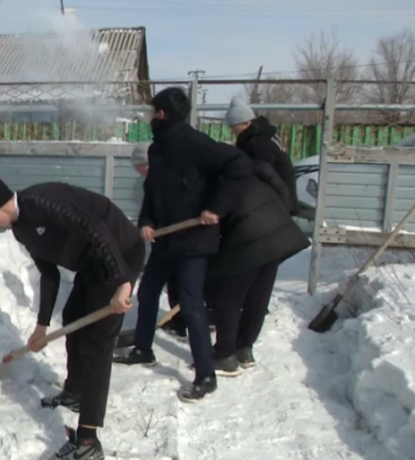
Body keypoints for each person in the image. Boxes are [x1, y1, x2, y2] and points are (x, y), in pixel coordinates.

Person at [0, 173, 145, 460]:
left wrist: (123, 282)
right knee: (74, 316)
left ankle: (88, 442)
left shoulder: (44, 201)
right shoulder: (20, 228)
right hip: (93, 267)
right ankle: (75, 392)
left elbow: (96, 228)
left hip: (120, 258)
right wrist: (42, 326)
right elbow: (48, 274)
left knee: (96, 344)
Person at [114, 87, 253, 403]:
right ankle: (143, 348)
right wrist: (146, 221)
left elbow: (240, 167)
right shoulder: (157, 149)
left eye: (152, 112)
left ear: (162, 114)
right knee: (148, 292)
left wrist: (217, 208)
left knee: (191, 303)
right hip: (166, 237)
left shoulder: (194, 143)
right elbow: (153, 192)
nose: (150, 117)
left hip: (193, 239)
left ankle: (206, 375)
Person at [206, 160, 309, 373]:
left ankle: (225, 354)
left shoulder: (219, 184)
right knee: (258, 297)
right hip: (277, 238)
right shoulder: (252, 175)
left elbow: (215, 226)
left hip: (250, 242)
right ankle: (244, 347)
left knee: (228, 298)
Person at [131, 142, 187, 338]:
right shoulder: (150, 182)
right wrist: (146, 223)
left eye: (141, 167)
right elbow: (147, 208)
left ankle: (184, 322)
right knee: (170, 284)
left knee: (184, 287)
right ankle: (178, 323)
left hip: (183, 241)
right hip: (165, 242)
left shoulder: (176, 179)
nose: (140, 172)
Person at [224, 96, 299, 216]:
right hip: (282, 200)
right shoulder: (264, 136)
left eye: (233, 126)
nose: (232, 130)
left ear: (246, 122)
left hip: (276, 205)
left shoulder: (258, 144)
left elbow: (265, 176)